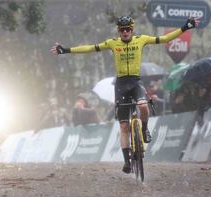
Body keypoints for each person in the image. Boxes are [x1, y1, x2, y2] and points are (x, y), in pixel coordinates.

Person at [51, 16, 198, 173]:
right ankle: (127, 161)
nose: (125, 32)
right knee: (124, 125)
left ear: (132, 30)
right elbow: (89, 48)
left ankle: (144, 129)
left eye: (128, 29)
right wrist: (65, 50)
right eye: (122, 30)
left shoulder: (141, 40)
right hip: (120, 85)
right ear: (119, 31)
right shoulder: (113, 43)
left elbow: (165, 38)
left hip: (135, 83)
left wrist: (186, 26)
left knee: (143, 106)